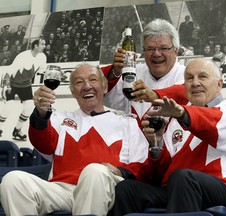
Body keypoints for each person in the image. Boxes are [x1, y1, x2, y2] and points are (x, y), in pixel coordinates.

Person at [0, 63, 150, 216]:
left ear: (105, 88)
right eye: (79, 82)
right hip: (62, 189)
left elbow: (143, 163)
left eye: (93, 80)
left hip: (104, 186)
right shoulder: (60, 118)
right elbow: (43, 144)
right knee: (12, 180)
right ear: (73, 92)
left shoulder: (126, 122)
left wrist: (121, 171)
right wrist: (40, 113)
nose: (86, 86)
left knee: (94, 171)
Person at [113, 58, 226, 215]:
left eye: (202, 77)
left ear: (219, 85)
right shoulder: (176, 120)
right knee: (126, 190)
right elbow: (163, 174)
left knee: (184, 178)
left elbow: (212, 123)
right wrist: (157, 143)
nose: (195, 83)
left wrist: (182, 113)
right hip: (178, 188)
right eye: (190, 78)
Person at [102, 18, 185, 125]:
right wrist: (115, 72)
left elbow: (184, 95)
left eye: (163, 48)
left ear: (176, 50)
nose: (156, 54)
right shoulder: (134, 72)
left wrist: (153, 95)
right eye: (150, 49)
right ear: (143, 51)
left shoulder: (187, 75)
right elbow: (108, 98)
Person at [0, 38, 47, 140]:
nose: (44, 46)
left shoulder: (42, 57)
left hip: (25, 85)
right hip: (11, 83)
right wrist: (6, 85)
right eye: (42, 44)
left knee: (29, 107)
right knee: (9, 106)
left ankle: (17, 131)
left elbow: (42, 73)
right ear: (35, 46)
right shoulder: (23, 56)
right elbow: (10, 70)